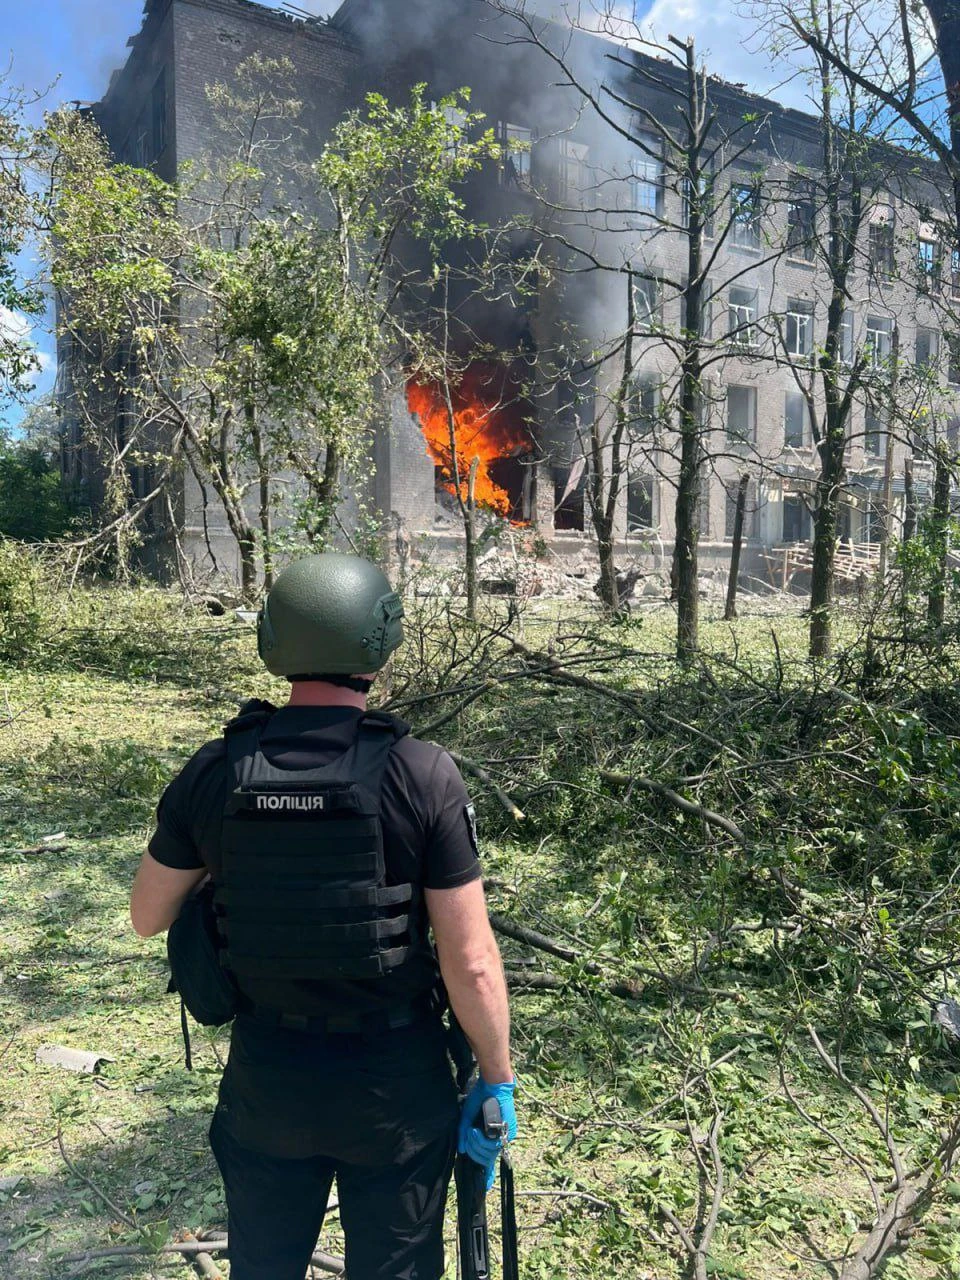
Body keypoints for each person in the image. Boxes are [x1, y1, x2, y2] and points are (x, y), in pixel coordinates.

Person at [129, 552, 517, 1280]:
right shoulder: (421, 773)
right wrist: (496, 1080)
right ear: (381, 642)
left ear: (273, 642)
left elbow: (148, 915)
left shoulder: (215, 770)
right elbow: (470, 962)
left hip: (267, 1078)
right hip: (396, 1087)